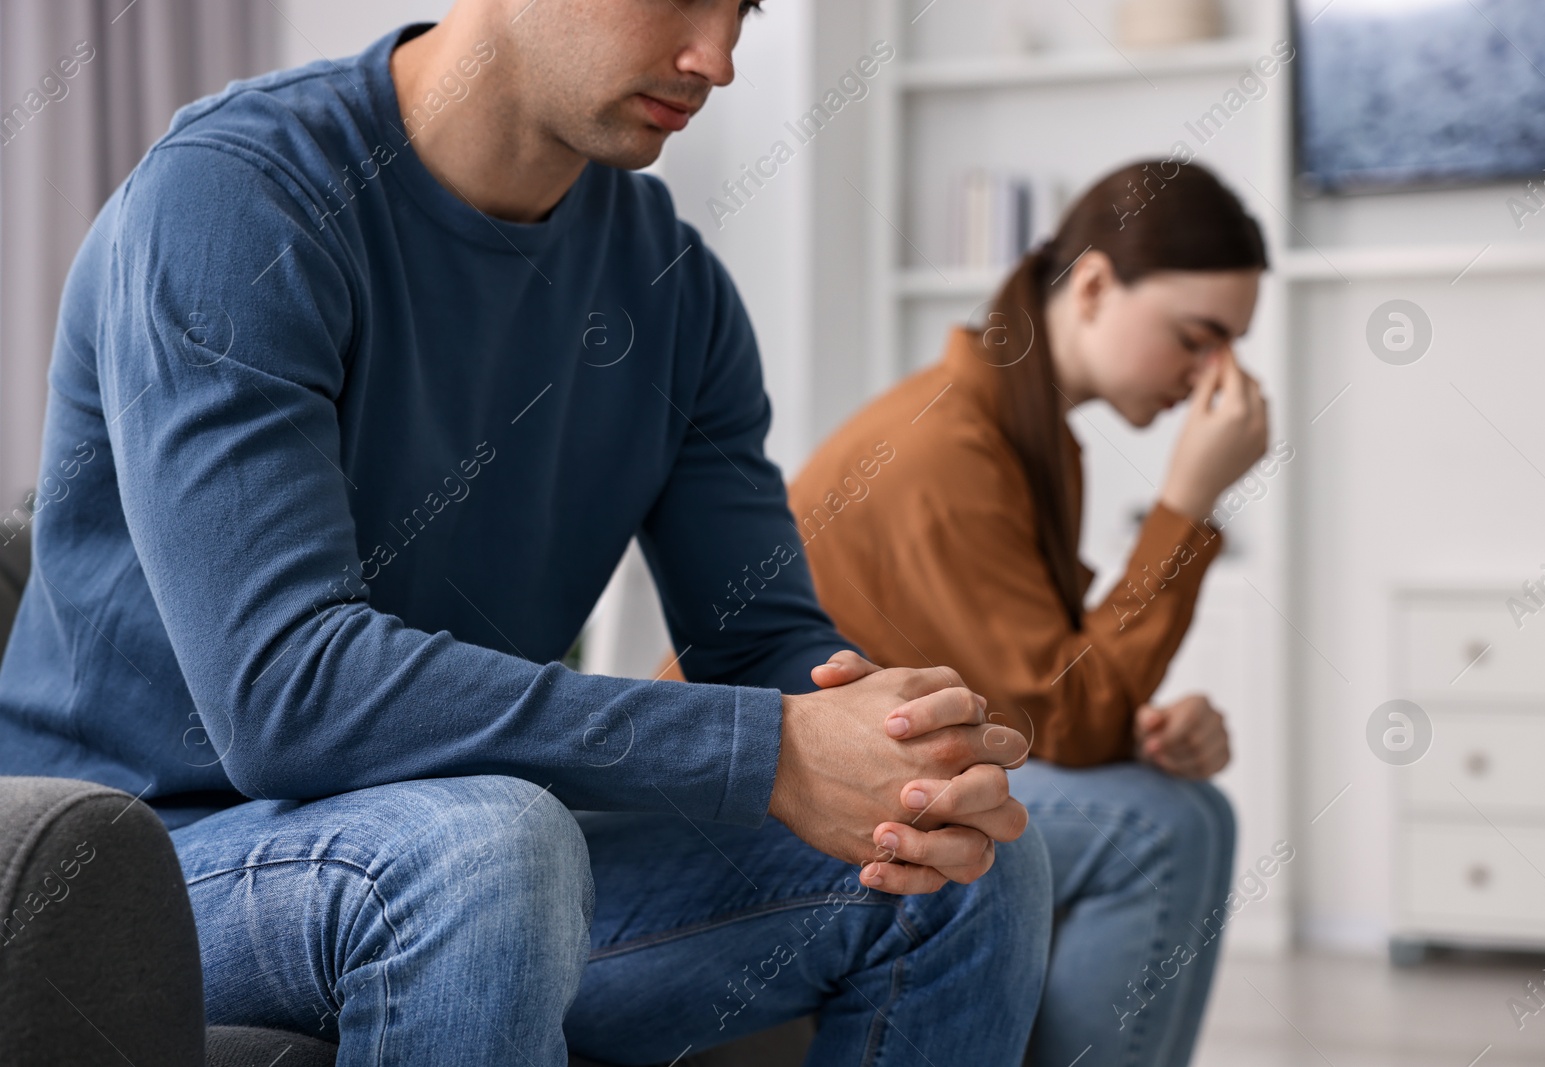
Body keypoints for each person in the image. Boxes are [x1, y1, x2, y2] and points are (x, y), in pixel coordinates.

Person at [0, 2, 1054, 1063]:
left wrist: (902, 750)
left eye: (742, 8)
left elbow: (764, 644)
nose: (718, 59)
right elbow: (284, 694)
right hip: (136, 865)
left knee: (957, 861)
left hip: (467, 866)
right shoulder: (235, 198)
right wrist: (766, 748)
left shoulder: (673, 290)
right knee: (486, 842)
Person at [661, 159, 1271, 1065]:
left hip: (863, 764)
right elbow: (1067, 715)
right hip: (754, 807)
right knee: (1162, 826)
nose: (1212, 375)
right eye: (1197, 337)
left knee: (1181, 806)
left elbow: (1046, 690)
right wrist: (1186, 504)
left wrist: (1148, 729)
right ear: (1095, 285)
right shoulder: (951, 443)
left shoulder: (1022, 429)